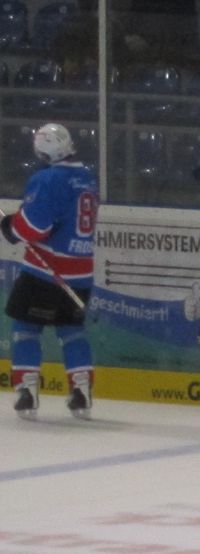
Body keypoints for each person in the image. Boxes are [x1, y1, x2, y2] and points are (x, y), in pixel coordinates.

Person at [3, 124, 96, 420]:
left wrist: (10, 227)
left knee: (26, 328)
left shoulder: (47, 179)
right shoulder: (87, 178)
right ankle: (82, 391)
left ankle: (27, 391)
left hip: (45, 271)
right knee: (72, 331)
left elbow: (34, 227)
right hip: (81, 274)